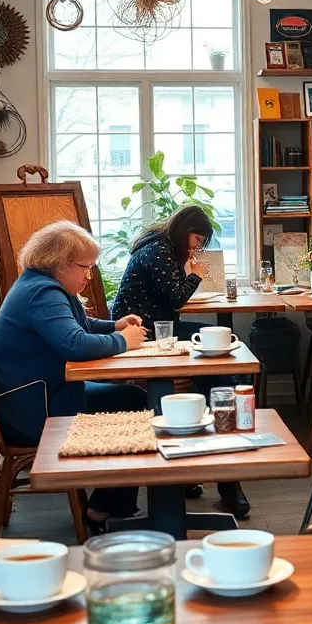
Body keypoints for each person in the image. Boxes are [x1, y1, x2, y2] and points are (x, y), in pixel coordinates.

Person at [0, 220, 148, 532]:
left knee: (132, 398)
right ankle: (105, 508)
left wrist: (113, 327)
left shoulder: (41, 285)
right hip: (36, 410)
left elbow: (79, 326)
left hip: (39, 396)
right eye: (84, 267)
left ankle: (112, 504)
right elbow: (74, 344)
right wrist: (123, 341)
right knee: (132, 406)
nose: (89, 276)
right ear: (59, 264)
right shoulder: (43, 293)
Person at [111, 206, 251, 519]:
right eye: (197, 239)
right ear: (183, 229)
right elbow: (175, 297)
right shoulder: (158, 250)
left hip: (157, 328)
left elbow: (169, 297)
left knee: (223, 349)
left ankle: (197, 469)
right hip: (142, 334)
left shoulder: (163, 248)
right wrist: (196, 275)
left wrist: (188, 271)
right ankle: (226, 478)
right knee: (218, 359)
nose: (197, 247)